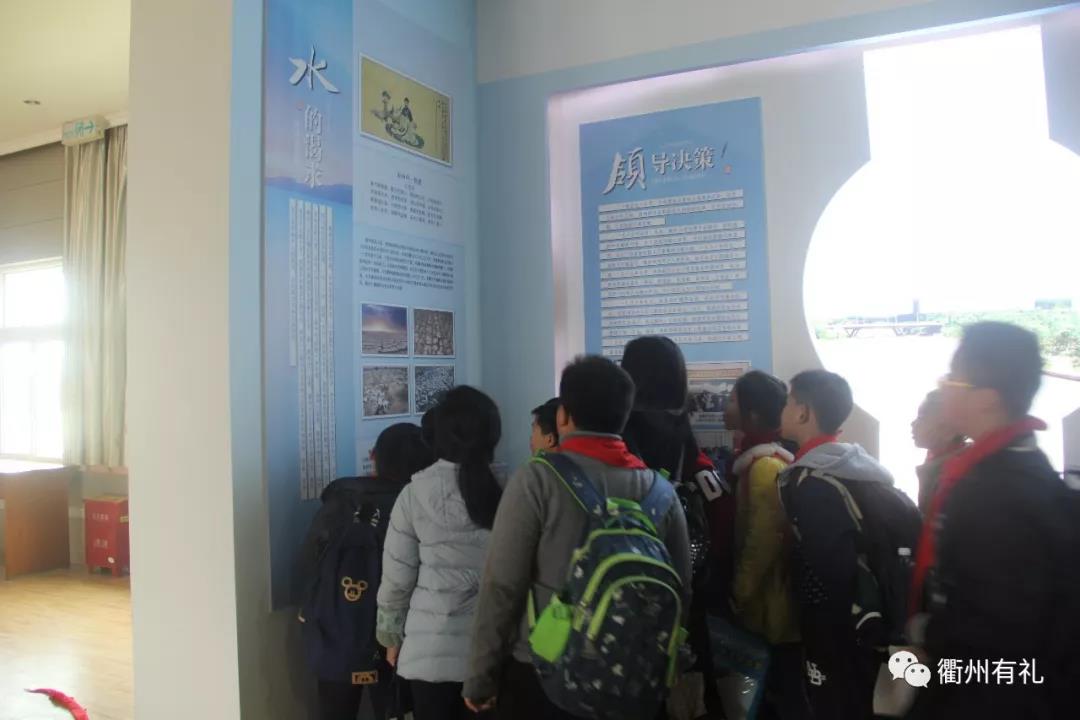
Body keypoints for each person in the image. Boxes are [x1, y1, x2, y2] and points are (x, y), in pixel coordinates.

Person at [463, 355, 692, 719]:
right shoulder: (661, 492)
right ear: (624, 415)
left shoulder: (537, 480)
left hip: (544, 674)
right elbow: (682, 588)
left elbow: (502, 586)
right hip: (634, 679)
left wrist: (480, 676)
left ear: (563, 416)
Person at [908, 322, 1076, 719]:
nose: (944, 386)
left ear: (986, 399)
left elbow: (995, 639)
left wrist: (927, 632)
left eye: (953, 378)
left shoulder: (994, 493)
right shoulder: (1017, 464)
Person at [777, 369, 899, 720]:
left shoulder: (811, 481)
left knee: (834, 703)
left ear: (803, 413)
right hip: (871, 621)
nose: (783, 410)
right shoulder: (855, 465)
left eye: (788, 402)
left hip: (834, 629)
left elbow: (832, 570)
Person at [376, 387, 503, 720]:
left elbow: (397, 577)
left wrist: (390, 637)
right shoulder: (512, 487)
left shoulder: (413, 493)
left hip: (428, 652)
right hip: (493, 653)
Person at [618, 336, 725, 718]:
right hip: (681, 563)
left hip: (633, 563)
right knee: (684, 673)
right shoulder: (680, 428)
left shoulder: (624, 429)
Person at [300, 423, 435, 720]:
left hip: (335, 639)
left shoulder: (339, 503)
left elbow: (310, 564)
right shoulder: (420, 506)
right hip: (399, 643)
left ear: (374, 457)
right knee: (395, 710)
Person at [724, 371, 808, 720]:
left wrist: (739, 592)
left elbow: (763, 542)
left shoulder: (764, 466)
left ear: (753, 415)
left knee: (779, 695)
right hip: (767, 604)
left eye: (733, 400)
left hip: (771, 608)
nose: (726, 406)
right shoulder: (756, 461)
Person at [910, 390, 967, 513]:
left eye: (921, 418)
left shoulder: (960, 476)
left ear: (948, 430)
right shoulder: (935, 462)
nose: (913, 424)